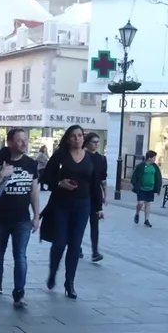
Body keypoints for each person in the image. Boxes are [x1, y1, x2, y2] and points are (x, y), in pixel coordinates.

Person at [41, 125, 104, 299]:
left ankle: (70, 283)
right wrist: (59, 183)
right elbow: (46, 176)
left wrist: (98, 208)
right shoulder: (60, 156)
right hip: (61, 204)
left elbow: (95, 185)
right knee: (60, 242)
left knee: (75, 245)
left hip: (82, 206)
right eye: (73, 136)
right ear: (68, 139)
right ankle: (53, 273)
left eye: (80, 136)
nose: (77, 139)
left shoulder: (92, 159)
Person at [0, 128, 40, 307]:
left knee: (21, 256)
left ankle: (19, 294)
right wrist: (1, 174)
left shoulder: (31, 164)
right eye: (19, 140)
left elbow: (34, 191)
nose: (24, 143)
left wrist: (36, 215)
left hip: (22, 219)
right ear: (9, 143)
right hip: (0, 218)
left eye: (26, 140)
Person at [83, 133, 108, 262]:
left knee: (95, 225)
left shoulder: (101, 159)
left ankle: (95, 251)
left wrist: (105, 195)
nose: (96, 144)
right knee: (79, 224)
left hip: (95, 195)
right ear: (87, 143)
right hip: (81, 194)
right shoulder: (82, 156)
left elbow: (103, 179)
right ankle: (77, 247)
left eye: (97, 142)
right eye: (93, 142)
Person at [130, 150, 163, 228]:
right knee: (140, 203)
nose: (155, 159)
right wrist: (134, 185)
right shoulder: (141, 166)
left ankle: (146, 220)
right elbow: (134, 176)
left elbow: (158, 177)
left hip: (150, 188)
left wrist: (158, 187)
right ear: (149, 158)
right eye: (154, 157)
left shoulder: (155, 166)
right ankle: (137, 213)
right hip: (141, 188)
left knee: (148, 204)